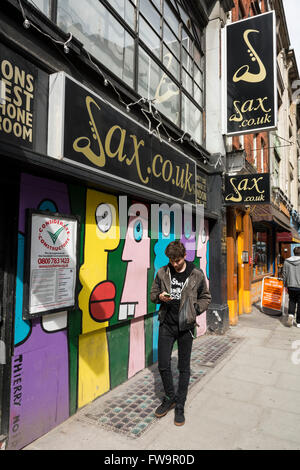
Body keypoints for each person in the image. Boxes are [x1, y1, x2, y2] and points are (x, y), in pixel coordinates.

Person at [150, 241, 211, 426]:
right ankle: (170, 397)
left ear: (184, 256)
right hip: (166, 325)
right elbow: (153, 294)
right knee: (163, 364)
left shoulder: (196, 274)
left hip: (185, 327)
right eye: (171, 260)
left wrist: (195, 309)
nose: (174, 264)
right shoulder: (162, 272)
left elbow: (206, 297)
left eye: (177, 260)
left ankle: (180, 405)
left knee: (183, 368)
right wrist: (159, 297)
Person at [283, 246, 300, 328]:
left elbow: (284, 274)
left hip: (291, 285)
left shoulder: (287, 261)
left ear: (294, 252)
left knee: (292, 301)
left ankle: (291, 315)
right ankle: (299, 322)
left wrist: (285, 285)